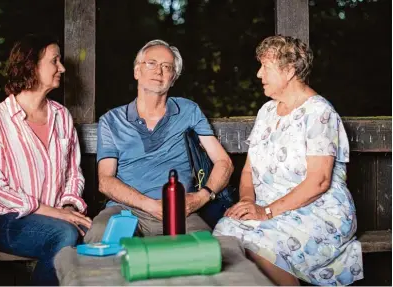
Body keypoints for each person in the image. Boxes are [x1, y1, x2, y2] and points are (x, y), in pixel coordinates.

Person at [213, 35, 363, 286]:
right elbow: (249, 170)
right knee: (224, 233)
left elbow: (319, 181)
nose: (259, 74)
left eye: (266, 67)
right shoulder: (267, 111)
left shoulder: (318, 113)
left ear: (291, 70)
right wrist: (249, 200)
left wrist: (267, 211)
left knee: (260, 244)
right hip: (269, 207)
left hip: (317, 211)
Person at [85, 39, 234, 242]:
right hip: (125, 210)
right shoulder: (111, 120)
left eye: (167, 67)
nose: (159, 71)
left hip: (179, 210)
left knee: (204, 249)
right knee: (101, 241)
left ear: (173, 78)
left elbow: (223, 162)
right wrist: (150, 205)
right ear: (137, 71)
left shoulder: (189, 111)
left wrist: (201, 197)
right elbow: (106, 181)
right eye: (151, 63)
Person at [0, 34, 92, 286]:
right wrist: (55, 214)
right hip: (4, 218)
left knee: (89, 235)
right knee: (65, 234)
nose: (62, 68)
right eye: (55, 61)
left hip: (54, 218)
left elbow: (74, 173)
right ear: (31, 65)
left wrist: (69, 209)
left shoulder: (62, 117)